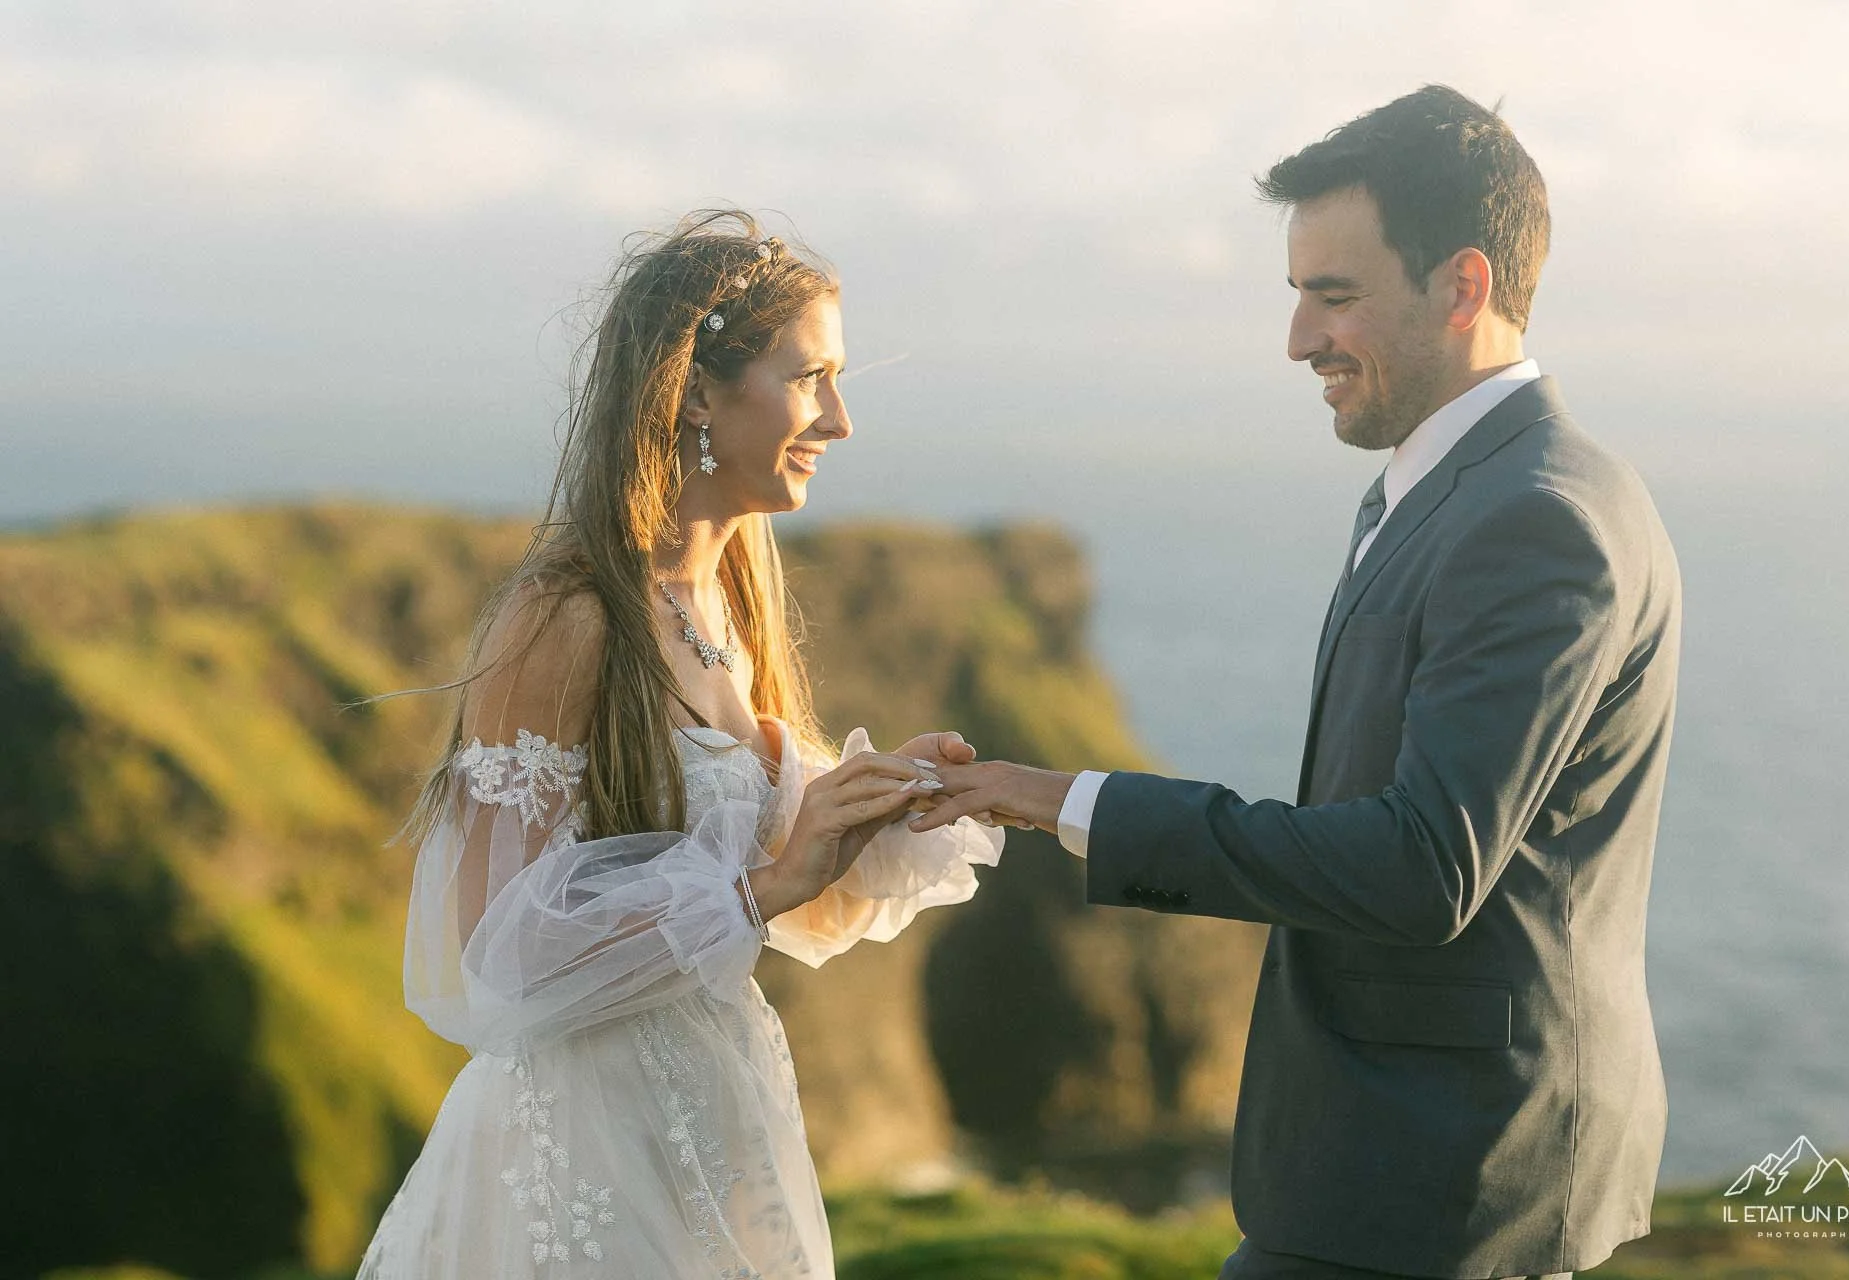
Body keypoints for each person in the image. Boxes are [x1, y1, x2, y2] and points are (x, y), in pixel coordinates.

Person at [913, 86, 1680, 1280]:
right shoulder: (1437, 489)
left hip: (1455, 1180)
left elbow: (1426, 864)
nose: (1299, 340)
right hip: (1381, 1168)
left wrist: (1073, 800)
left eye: (1335, 296)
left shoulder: (1538, 519)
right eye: (1297, 297)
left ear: (1463, 285)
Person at [356, 211, 1002, 1278]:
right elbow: (498, 965)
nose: (837, 419)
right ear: (698, 390)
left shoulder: (732, 603)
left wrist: (865, 805)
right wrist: (764, 884)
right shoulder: (565, 617)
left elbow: (797, 892)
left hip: (722, 1120)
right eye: (811, 379)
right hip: (585, 1152)